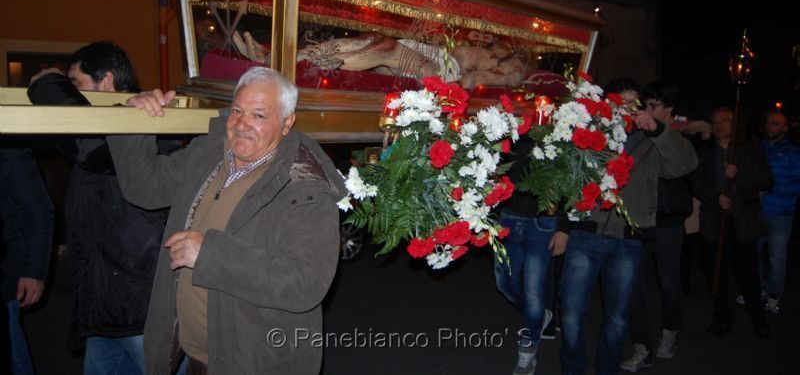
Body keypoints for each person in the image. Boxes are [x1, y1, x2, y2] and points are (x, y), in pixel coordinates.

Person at [106, 67, 345, 374]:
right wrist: (133, 120)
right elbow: (146, 188)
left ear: (287, 124)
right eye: (237, 110)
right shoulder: (211, 153)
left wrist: (210, 255)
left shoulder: (304, 188)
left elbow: (304, 284)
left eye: (259, 115)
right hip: (196, 358)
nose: (242, 124)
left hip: (252, 364)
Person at [27, 42, 168, 375]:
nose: (70, 89)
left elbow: (86, 145)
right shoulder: (119, 121)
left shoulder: (145, 122)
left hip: (137, 310)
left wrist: (49, 83)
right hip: (103, 306)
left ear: (105, 82)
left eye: (75, 82)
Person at [556, 78, 698, 375]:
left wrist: (659, 130)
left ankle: (606, 369)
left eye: (633, 104)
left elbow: (685, 164)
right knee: (569, 312)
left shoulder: (651, 142)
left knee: (618, 316)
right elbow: (566, 181)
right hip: (586, 232)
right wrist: (563, 228)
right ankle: (573, 368)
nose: (625, 110)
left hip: (628, 239)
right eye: (618, 103)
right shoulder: (588, 130)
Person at [621, 83, 694, 371]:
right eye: (645, 106)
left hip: (668, 219)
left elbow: (685, 165)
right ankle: (642, 346)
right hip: (639, 220)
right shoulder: (636, 135)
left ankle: (669, 333)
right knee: (634, 284)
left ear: (669, 111)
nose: (647, 112)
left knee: (668, 281)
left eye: (654, 106)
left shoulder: (678, 135)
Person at [694, 107, 772, 338]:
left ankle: (758, 318)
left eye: (724, 121)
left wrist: (740, 174)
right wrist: (715, 197)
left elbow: (767, 180)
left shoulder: (749, 150)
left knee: (747, 272)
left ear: (733, 123)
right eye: (715, 121)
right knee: (717, 272)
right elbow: (697, 183)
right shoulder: (706, 152)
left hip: (742, 222)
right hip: (714, 221)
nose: (719, 125)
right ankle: (723, 317)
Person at [494, 137, 566, 375]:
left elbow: (569, 179)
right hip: (509, 218)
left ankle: (527, 351)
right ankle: (538, 317)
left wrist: (564, 228)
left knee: (534, 292)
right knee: (504, 282)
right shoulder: (507, 128)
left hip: (541, 222)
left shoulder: (554, 129)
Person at [297, 34, 528, 88]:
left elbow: (466, 83)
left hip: (441, 73)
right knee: (372, 38)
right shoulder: (485, 44)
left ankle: (317, 63)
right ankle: (300, 54)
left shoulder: (505, 69)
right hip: (433, 55)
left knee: (387, 48)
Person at [1, 146, 54, 375]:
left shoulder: (8, 147)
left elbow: (40, 210)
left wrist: (34, 271)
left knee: (13, 355)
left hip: (4, 272)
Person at [757, 112, 800, 314]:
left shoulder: (793, 153)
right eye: (768, 123)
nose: (769, 126)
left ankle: (773, 295)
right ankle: (758, 289)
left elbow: (797, 185)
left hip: (781, 213)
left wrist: (770, 189)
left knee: (776, 258)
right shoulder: (759, 148)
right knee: (750, 252)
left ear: (784, 128)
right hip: (757, 213)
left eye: (775, 124)